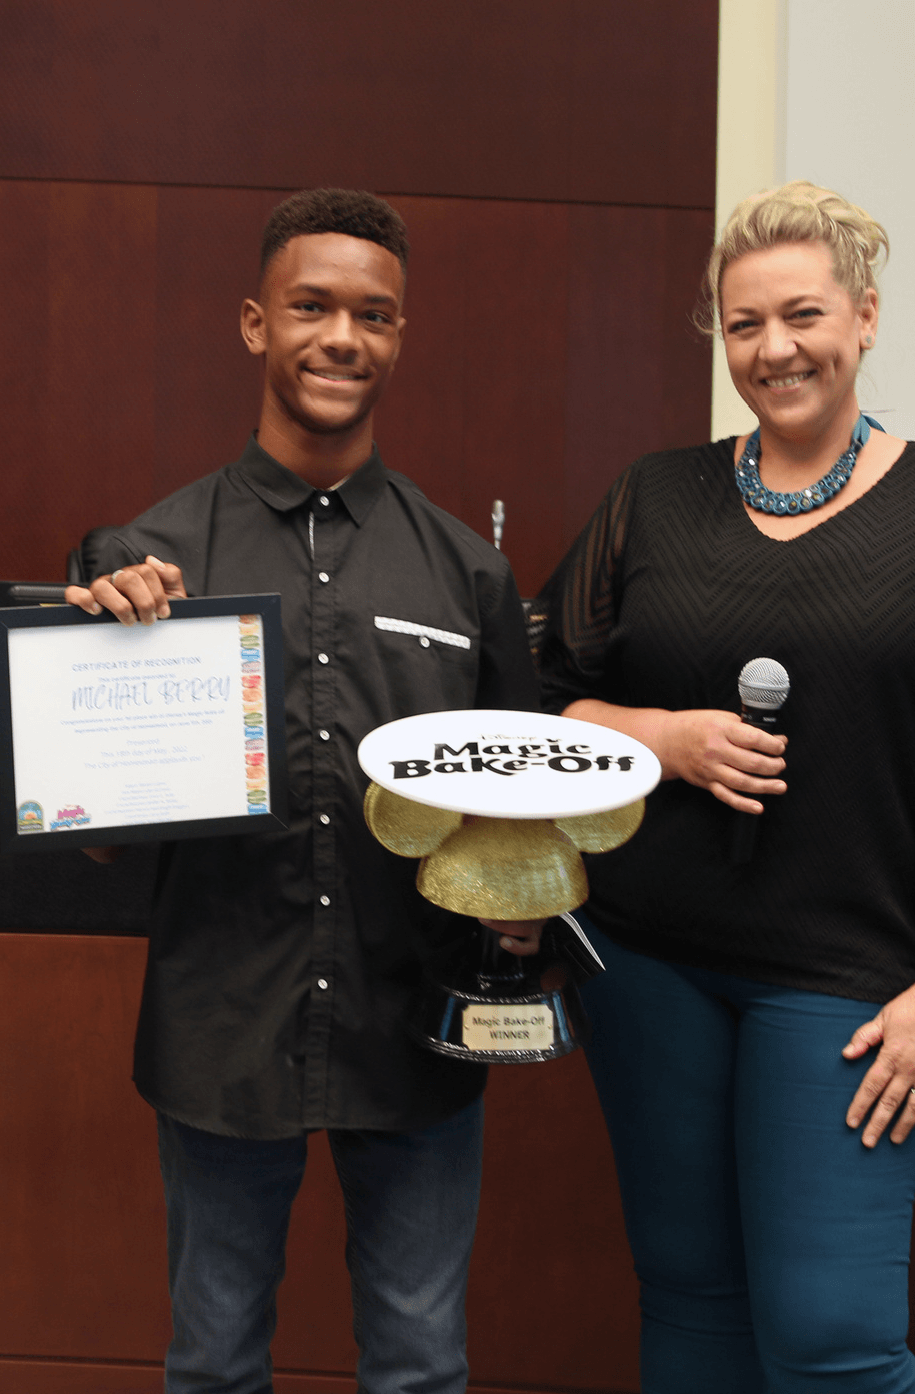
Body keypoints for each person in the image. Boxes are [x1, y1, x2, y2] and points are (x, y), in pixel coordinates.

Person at [65, 189, 541, 1394]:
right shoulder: (153, 564)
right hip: (223, 1029)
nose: (341, 337)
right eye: (311, 307)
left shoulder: (465, 569)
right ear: (251, 324)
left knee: (421, 1362)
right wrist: (89, 676)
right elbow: (98, 836)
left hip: (416, 1028)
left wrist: (524, 892)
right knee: (215, 1361)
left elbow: (523, 796)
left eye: (372, 315)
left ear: (397, 336)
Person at [535, 182, 915, 1391]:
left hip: (849, 981)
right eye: (742, 323)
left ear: (861, 316)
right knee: (691, 1310)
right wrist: (660, 734)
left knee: (828, 1335)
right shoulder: (653, 496)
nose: (774, 348)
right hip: (647, 963)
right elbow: (541, 701)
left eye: (800, 314)